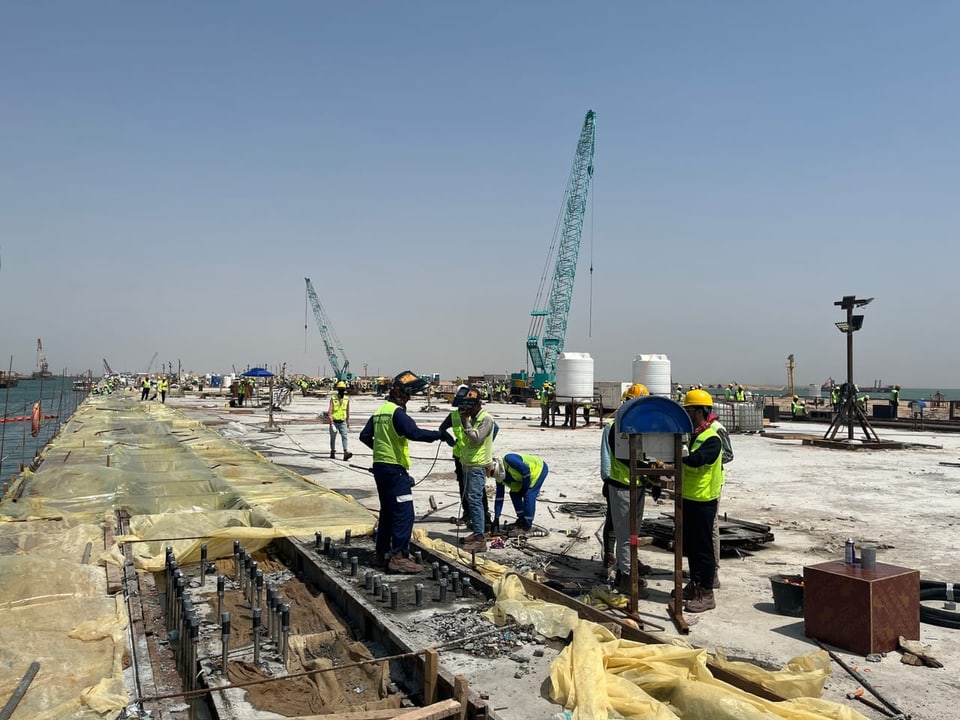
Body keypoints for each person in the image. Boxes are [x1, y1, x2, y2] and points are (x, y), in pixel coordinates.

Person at [359, 370, 443, 573]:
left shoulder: (380, 412)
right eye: (407, 395)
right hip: (394, 471)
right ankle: (398, 557)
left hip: (381, 468)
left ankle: (380, 556)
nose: (408, 399)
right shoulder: (396, 413)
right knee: (405, 514)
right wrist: (438, 434)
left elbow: (364, 436)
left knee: (388, 512)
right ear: (398, 393)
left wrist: (381, 451)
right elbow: (414, 433)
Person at [600, 382, 653, 597]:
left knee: (633, 533)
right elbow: (624, 456)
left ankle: (628, 568)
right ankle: (625, 577)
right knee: (623, 534)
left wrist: (650, 477)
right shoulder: (616, 427)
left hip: (637, 485)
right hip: (621, 485)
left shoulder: (640, 426)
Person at [677, 388, 724, 613]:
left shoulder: (712, 438)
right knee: (693, 548)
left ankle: (706, 592)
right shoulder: (695, 434)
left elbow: (697, 460)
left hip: (704, 500)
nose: (686, 414)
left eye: (689, 410)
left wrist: (679, 456)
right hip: (689, 498)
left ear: (700, 411)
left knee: (703, 550)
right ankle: (695, 585)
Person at [438, 386, 497, 530]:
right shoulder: (455, 416)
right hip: (461, 457)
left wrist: (486, 446)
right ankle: (468, 514)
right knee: (464, 488)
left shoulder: (479, 417)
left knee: (476, 492)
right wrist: (450, 441)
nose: (463, 409)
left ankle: (483, 521)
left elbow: (487, 432)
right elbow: (442, 429)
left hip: (476, 459)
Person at [455, 387, 496, 552]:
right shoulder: (474, 418)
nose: (467, 411)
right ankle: (477, 532)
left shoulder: (486, 419)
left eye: (469, 407)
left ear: (477, 404)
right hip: (468, 464)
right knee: (471, 500)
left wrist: (466, 422)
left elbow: (477, 439)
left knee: (475, 500)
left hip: (478, 466)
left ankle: (480, 538)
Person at [492, 453, 548, 534]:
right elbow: (499, 497)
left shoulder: (509, 459)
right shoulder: (499, 477)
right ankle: (521, 518)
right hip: (523, 477)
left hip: (538, 470)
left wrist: (524, 488)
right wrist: (496, 518)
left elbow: (526, 470)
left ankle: (527, 526)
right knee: (514, 494)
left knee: (529, 494)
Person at [328, 381, 353, 460]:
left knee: (344, 436)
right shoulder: (333, 398)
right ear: (337, 390)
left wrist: (348, 420)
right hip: (334, 422)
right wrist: (331, 422)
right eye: (340, 389)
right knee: (333, 437)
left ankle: (345, 452)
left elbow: (347, 410)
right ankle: (332, 451)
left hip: (343, 421)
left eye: (342, 389)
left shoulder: (346, 399)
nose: (341, 391)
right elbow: (330, 411)